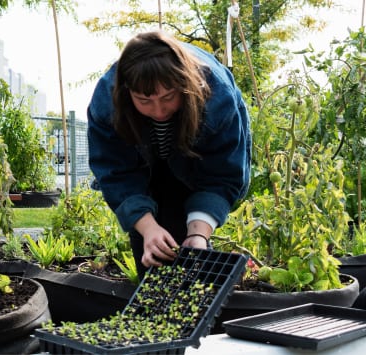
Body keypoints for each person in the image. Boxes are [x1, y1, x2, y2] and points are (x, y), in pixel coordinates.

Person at [87, 31, 252, 275]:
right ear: (126, 91)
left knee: (193, 254)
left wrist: (198, 233)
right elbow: (116, 173)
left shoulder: (217, 96)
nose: (159, 110)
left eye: (168, 97)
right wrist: (148, 228)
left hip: (195, 164)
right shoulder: (107, 103)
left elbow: (222, 174)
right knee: (152, 254)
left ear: (184, 85)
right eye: (144, 100)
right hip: (145, 169)